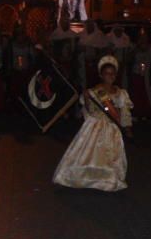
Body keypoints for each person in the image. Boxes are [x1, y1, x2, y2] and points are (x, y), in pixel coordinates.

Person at [53, 55, 134, 191]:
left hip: (112, 128)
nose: (110, 76)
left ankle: (108, 181)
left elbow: (124, 114)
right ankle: (84, 178)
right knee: (88, 155)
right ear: (101, 75)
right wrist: (87, 98)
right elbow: (90, 111)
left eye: (113, 73)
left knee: (109, 157)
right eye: (107, 73)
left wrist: (127, 128)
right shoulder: (94, 91)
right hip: (95, 126)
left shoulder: (120, 93)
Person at [129, 29, 151, 120]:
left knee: (146, 93)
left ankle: (145, 112)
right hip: (136, 73)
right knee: (136, 94)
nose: (143, 39)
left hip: (146, 74)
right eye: (141, 38)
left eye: (144, 38)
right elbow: (130, 59)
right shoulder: (134, 48)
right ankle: (136, 113)